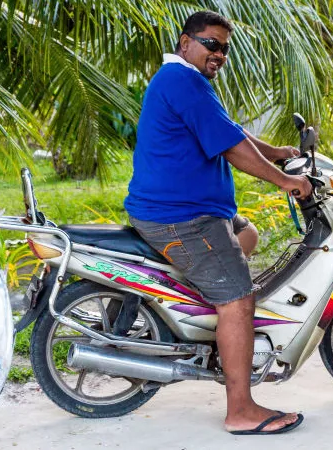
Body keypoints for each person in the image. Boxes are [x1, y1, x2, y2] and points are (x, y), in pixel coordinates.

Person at [124, 10, 312, 435]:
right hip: (181, 218)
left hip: (185, 210)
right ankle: (241, 410)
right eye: (211, 43)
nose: (219, 53)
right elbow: (230, 148)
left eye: (225, 48)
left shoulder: (185, 81)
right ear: (185, 42)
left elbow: (228, 131)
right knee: (239, 300)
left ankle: (201, 312)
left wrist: (278, 152)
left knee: (247, 233)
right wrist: (284, 180)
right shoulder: (183, 80)